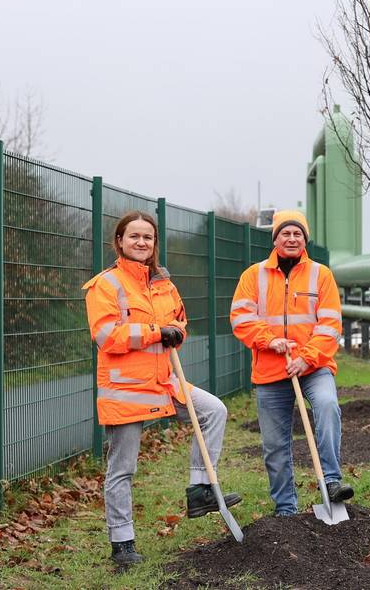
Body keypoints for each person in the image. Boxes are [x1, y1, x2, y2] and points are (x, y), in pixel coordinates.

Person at [83, 211, 241, 568]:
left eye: (148, 237)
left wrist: (175, 332)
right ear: (120, 241)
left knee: (213, 410)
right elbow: (106, 336)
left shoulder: (164, 284)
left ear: (155, 244)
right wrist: (157, 332)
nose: (142, 242)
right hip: (126, 389)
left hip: (164, 380)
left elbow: (181, 322)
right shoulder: (105, 285)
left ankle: (200, 490)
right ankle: (122, 543)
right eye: (134, 236)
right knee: (122, 468)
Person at [230, 210, 352, 517]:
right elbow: (241, 319)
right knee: (275, 446)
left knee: (327, 406)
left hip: (314, 367)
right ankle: (286, 509)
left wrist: (306, 357)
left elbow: (330, 325)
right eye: (286, 233)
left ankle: (332, 481)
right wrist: (269, 340)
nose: (292, 238)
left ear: (305, 239)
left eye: (298, 234)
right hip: (270, 371)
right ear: (275, 238)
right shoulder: (253, 276)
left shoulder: (320, 275)